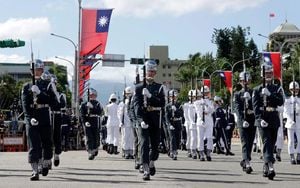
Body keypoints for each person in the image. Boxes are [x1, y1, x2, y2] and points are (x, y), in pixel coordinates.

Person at [21, 59, 59, 181]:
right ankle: (34, 170)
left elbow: (54, 102)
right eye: (33, 70)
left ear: (42, 70)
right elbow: (25, 105)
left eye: (38, 69)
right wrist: (30, 118)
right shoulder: (26, 86)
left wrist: (40, 94)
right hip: (32, 117)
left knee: (47, 143)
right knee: (33, 144)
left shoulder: (47, 84)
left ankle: (46, 161)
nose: (36, 72)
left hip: (44, 115)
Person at [133, 60, 165, 180]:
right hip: (144, 119)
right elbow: (136, 106)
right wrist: (140, 120)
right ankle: (145, 167)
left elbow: (162, 103)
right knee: (144, 143)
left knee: (155, 145)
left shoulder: (159, 87)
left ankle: (151, 161)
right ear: (145, 72)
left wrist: (151, 96)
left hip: (155, 118)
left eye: (153, 71)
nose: (151, 73)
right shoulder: (138, 87)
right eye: (149, 71)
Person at [252, 60, 284, 180]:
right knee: (266, 141)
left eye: (270, 73)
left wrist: (270, 94)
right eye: (266, 73)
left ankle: (266, 164)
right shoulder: (256, 90)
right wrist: (259, 119)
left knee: (272, 142)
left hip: (274, 117)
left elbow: (280, 101)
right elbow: (255, 107)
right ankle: (270, 166)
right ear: (262, 75)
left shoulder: (277, 88)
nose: (268, 75)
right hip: (263, 119)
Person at [234, 71, 256, 174]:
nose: (245, 83)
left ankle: (245, 159)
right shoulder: (237, 94)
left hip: (252, 120)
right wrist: (242, 120)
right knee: (245, 142)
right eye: (243, 81)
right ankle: (247, 163)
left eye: (247, 81)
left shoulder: (254, 92)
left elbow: (256, 106)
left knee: (250, 143)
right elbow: (237, 109)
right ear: (240, 82)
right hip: (242, 121)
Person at [79, 88, 103, 160]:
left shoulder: (97, 103)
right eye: (91, 95)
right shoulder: (84, 104)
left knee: (96, 137)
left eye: (93, 95)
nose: (92, 96)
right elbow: (82, 114)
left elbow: (100, 112)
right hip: (88, 121)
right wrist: (85, 122)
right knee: (89, 137)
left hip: (95, 121)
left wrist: (93, 108)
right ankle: (90, 151)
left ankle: (95, 148)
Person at [194, 85, 214, 161]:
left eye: (206, 92)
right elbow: (199, 112)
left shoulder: (210, 101)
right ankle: (201, 153)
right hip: (200, 121)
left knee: (209, 137)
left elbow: (211, 110)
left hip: (209, 121)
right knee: (200, 138)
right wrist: (202, 105)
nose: (205, 94)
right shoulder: (197, 102)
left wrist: (206, 105)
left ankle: (208, 152)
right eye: (203, 93)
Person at [283, 81, 300, 165]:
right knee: (291, 140)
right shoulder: (287, 100)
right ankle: (292, 155)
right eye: (293, 89)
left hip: (299, 121)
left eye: (296, 89)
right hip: (290, 122)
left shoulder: (299, 100)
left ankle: (299, 154)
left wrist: (297, 102)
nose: (295, 91)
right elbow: (285, 112)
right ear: (290, 90)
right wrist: (290, 120)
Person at [165, 89, 183, 160]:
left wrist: (176, 110)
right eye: (172, 97)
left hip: (177, 122)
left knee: (177, 138)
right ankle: (173, 151)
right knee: (172, 138)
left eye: (175, 97)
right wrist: (169, 125)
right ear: (169, 97)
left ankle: (175, 149)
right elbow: (166, 116)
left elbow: (181, 114)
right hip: (171, 123)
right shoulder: (167, 106)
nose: (173, 98)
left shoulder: (179, 105)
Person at [118, 86, 135, 159]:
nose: (129, 95)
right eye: (127, 94)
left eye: (130, 94)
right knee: (125, 138)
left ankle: (131, 152)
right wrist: (120, 122)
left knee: (132, 138)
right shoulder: (122, 103)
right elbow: (119, 114)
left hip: (132, 123)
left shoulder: (134, 102)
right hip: (125, 123)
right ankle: (125, 152)